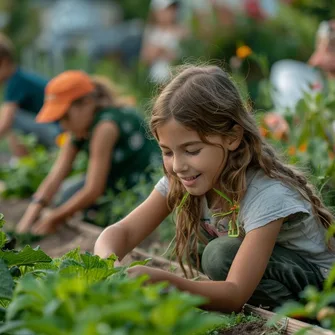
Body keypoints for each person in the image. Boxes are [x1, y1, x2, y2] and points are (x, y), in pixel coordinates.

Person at [94, 65, 335, 312]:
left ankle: (305, 314)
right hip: (275, 274)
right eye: (167, 152)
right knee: (194, 245)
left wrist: (168, 282)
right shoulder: (188, 178)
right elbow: (121, 233)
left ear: (232, 138)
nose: (178, 166)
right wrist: (108, 265)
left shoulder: (267, 194)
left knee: (219, 254)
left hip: (322, 287)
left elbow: (234, 293)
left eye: (192, 150)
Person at [16, 70, 159, 235]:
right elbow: (55, 176)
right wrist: (25, 223)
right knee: (67, 193)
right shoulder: (78, 129)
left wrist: (55, 218)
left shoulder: (106, 126)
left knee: (101, 212)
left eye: (65, 116)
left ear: (87, 103)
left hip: (142, 186)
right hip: (115, 180)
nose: (62, 125)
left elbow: (93, 189)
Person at [0, 33, 60, 159]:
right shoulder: (18, 77)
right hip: (53, 130)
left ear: (4, 62)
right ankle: (23, 161)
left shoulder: (16, 81)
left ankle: (22, 162)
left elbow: (5, 123)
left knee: (12, 117)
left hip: (59, 132)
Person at [140, 0, 188, 83]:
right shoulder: (151, 32)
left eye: (173, 9)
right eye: (167, 9)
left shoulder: (182, 31)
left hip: (177, 79)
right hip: (154, 81)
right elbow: (144, 59)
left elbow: (186, 57)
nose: (170, 12)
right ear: (156, 12)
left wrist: (162, 51)